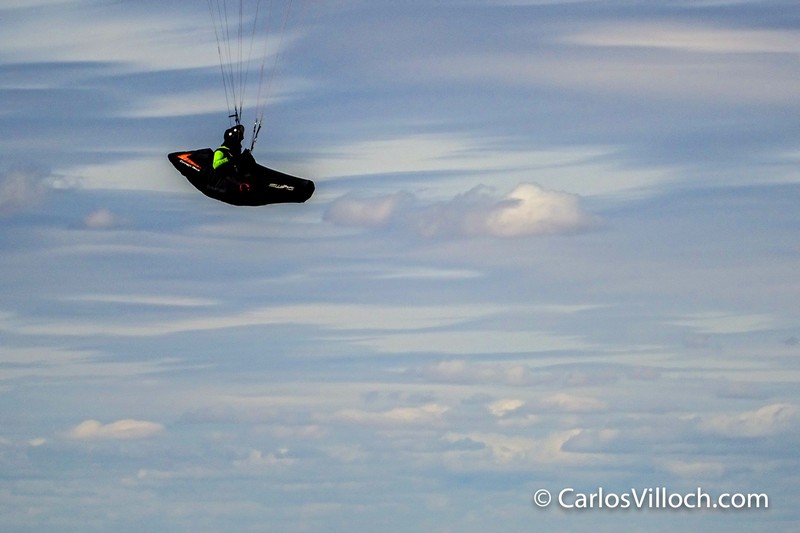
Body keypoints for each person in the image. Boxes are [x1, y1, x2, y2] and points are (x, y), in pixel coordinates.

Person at [211, 125, 250, 193]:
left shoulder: (236, 155)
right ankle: (242, 186)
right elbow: (216, 165)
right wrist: (228, 159)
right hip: (227, 182)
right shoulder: (220, 151)